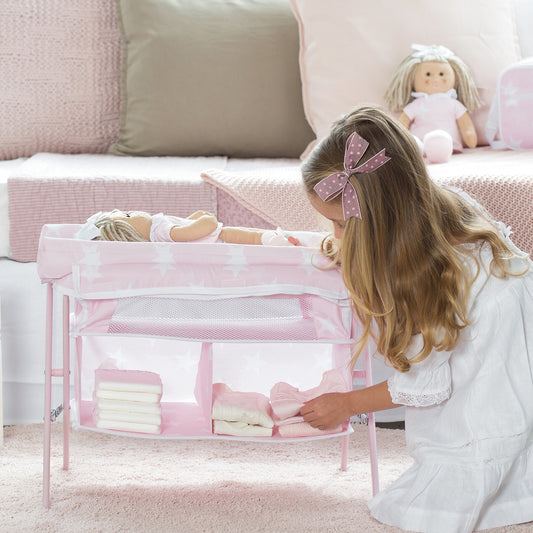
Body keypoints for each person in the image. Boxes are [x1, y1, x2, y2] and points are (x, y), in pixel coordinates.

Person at [299, 104, 533, 532]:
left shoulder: (428, 277)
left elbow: (424, 385)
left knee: (422, 506)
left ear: (379, 224)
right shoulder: (443, 206)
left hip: (495, 398)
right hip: (517, 367)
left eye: (340, 225)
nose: (335, 234)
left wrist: (347, 405)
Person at [384, 43, 482, 164]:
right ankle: (416, 146)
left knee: (439, 140)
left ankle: (438, 148)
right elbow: (402, 124)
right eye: (428, 74)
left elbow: (466, 125)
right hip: (420, 145)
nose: (435, 79)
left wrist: (469, 135)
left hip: (448, 143)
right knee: (414, 143)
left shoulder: (453, 104)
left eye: (441, 74)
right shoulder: (416, 104)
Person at [76, 209, 303, 246]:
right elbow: (191, 232)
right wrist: (207, 219)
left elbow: (183, 225)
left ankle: (274, 238)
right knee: (248, 238)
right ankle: (275, 243)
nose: (132, 211)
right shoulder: (159, 232)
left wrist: (193, 218)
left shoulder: (158, 231)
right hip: (217, 239)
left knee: (249, 235)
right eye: (128, 216)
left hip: (215, 236)